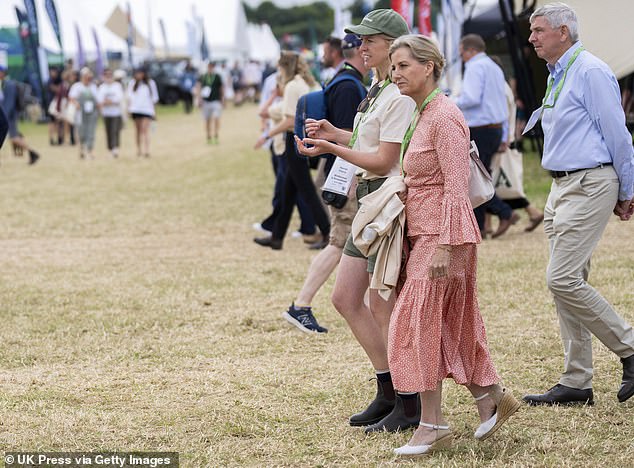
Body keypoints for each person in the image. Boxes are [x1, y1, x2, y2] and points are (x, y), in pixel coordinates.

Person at [383, 34, 520, 457]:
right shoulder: (420, 113)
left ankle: (432, 425)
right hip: (425, 234)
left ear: (429, 67)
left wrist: (444, 244)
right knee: (443, 325)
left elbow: (457, 188)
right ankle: (489, 398)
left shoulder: (445, 116)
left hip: (445, 237)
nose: (395, 73)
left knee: (415, 323)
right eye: (393, 66)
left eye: (404, 65)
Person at [295, 9, 419, 432]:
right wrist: (334, 133)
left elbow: (386, 159)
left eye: (369, 41)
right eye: (360, 41)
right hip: (369, 206)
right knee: (347, 299)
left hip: (384, 206)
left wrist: (332, 149)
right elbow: (369, 141)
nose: (360, 48)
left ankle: (408, 398)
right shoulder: (379, 86)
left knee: (382, 307)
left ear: (393, 44)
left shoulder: (399, 93)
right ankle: (389, 390)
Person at [522, 2, 634, 406]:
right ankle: (576, 381)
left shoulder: (589, 70)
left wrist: (627, 190)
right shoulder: (559, 73)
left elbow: (619, 136)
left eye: (537, 30)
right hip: (561, 188)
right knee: (566, 287)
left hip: (589, 182)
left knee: (562, 278)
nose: (531, 38)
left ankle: (629, 348)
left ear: (562, 32)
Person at [283, 33, 368, 334]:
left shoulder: (342, 81)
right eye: (367, 45)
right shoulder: (348, 86)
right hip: (345, 176)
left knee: (347, 243)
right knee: (339, 243)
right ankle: (301, 305)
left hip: (341, 172)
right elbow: (347, 134)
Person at [253, 51, 330, 251]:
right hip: (299, 137)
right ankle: (277, 236)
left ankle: (326, 230)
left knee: (304, 188)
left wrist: (267, 135)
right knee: (289, 190)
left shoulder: (292, 87)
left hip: (291, 139)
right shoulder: (303, 83)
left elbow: (289, 121)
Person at [455, 34, 518, 239]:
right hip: (495, 127)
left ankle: (503, 212)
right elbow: (502, 102)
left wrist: (450, 100)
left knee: (475, 178)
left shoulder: (474, 67)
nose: (461, 56)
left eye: (462, 52)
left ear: (470, 50)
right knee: (481, 175)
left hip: (480, 128)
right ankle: (480, 225)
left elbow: (471, 98)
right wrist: (504, 133)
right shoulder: (494, 67)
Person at [486, 56, 544, 234]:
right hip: (506, 140)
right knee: (494, 181)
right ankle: (487, 224)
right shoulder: (502, 88)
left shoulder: (500, 90)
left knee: (492, 182)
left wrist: (503, 139)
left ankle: (530, 212)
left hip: (504, 142)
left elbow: (502, 116)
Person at [0, 65, 40, 165]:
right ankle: (30, 153)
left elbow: (8, 104)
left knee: (13, 137)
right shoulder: (6, 83)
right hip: (10, 114)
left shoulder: (8, 85)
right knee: (14, 137)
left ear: (3, 73)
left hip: (9, 115)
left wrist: (4, 116)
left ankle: (32, 153)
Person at [127, 67, 159, 158]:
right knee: (137, 130)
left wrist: (154, 112)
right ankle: (138, 149)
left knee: (145, 130)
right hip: (135, 109)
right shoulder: (132, 83)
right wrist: (129, 110)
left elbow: (154, 98)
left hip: (147, 110)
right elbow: (129, 98)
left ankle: (146, 150)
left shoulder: (150, 83)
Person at [69, 67, 99, 159]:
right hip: (80, 113)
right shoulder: (77, 86)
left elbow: (97, 100)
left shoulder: (93, 87)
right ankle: (81, 149)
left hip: (91, 113)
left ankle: (90, 151)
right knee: (81, 132)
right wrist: (76, 104)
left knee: (91, 132)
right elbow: (71, 98)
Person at [97, 68, 124, 158]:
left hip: (116, 113)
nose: (108, 77)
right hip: (106, 113)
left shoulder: (117, 86)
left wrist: (109, 101)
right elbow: (100, 100)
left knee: (115, 130)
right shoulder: (102, 87)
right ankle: (110, 149)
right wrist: (107, 102)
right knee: (108, 131)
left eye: (109, 75)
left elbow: (119, 98)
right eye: (106, 75)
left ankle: (115, 148)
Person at [196, 62, 224, 145]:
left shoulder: (217, 76)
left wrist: (222, 99)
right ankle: (208, 136)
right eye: (209, 67)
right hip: (206, 101)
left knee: (216, 118)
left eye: (212, 67)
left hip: (216, 100)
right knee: (207, 120)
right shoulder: (203, 76)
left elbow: (221, 88)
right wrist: (199, 99)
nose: (210, 68)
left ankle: (216, 135)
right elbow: (198, 87)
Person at [46, 66, 63, 145]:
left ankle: (60, 138)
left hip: (59, 103)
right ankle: (51, 139)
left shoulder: (59, 79)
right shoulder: (49, 80)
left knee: (59, 121)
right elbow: (56, 89)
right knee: (52, 122)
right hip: (51, 103)